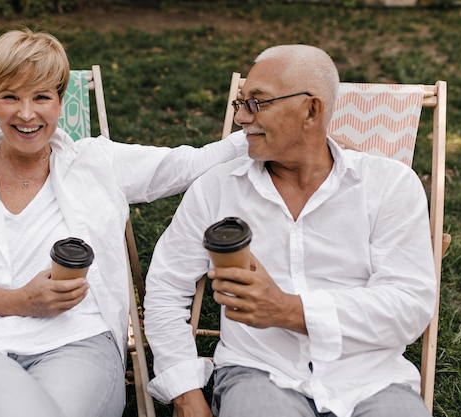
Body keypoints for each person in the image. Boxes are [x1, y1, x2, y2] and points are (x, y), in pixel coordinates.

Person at [0, 28, 248, 417]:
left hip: (77, 340)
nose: (26, 113)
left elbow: (193, 164)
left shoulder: (97, 164)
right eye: (10, 96)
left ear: (60, 101)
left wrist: (269, 124)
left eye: (41, 97)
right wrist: (15, 301)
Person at [143, 44, 436, 417]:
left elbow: (408, 305)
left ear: (311, 110)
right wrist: (185, 392)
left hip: (369, 377)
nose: (241, 119)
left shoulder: (389, 185)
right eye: (240, 103)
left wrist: (289, 310)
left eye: (258, 103)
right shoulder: (218, 188)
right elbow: (167, 288)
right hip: (259, 373)